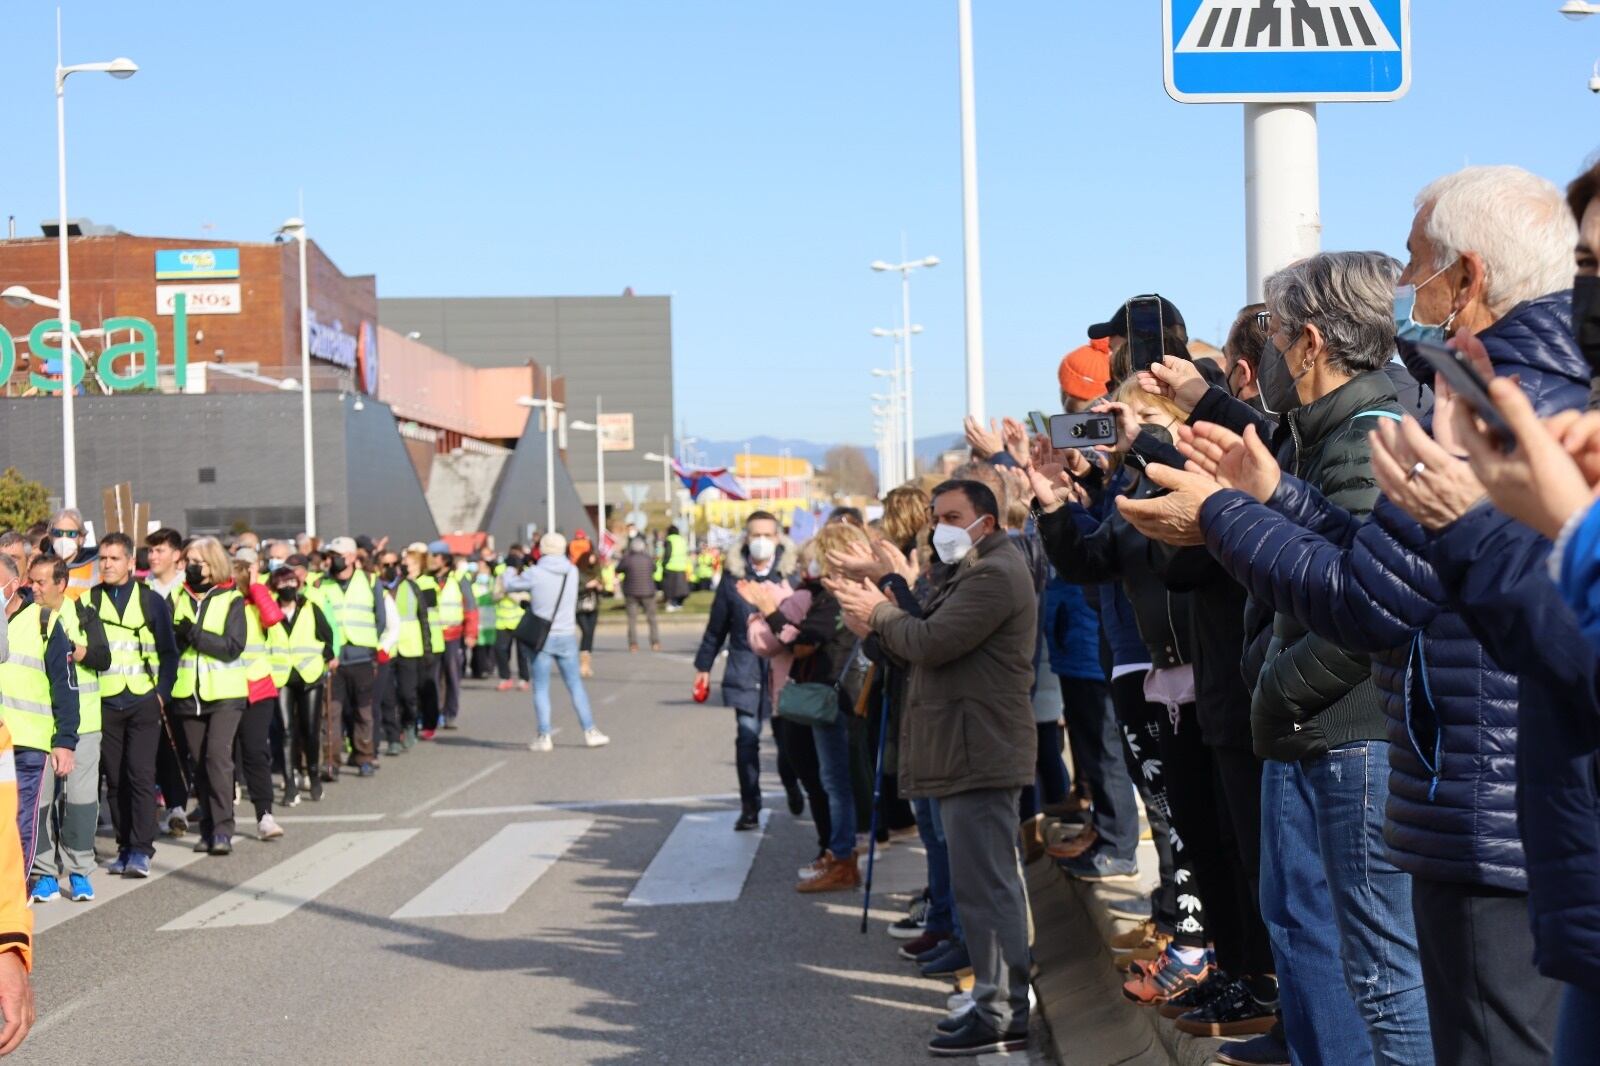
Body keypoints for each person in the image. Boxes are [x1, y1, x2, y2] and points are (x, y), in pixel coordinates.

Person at [832, 479, 1036, 1058]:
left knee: (988, 887)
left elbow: (932, 640)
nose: (938, 527)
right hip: (963, 748)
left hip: (982, 751)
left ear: (987, 522)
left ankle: (1003, 1009)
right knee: (977, 888)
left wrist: (881, 613)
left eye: (952, 516)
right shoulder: (968, 570)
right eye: (935, 516)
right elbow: (919, 639)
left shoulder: (996, 573)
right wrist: (881, 619)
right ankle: (995, 1000)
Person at [742, 523, 871, 892]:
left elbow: (802, 644)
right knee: (834, 781)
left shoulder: (835, 596)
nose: (809, 564)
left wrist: (769, 610)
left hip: (834, 695)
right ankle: (839, 852)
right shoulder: (842, 593)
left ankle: (842, 856)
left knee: (834, 783)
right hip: (842, 693)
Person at [693, 512, 800, 829]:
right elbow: (716, 629)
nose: (762, 541)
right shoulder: (731, 578)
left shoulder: (791, 576)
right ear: (746, 539)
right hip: (744, 669)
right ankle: (750, 806)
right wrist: (703, 667)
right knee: (747, 738)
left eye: (768, 534)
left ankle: (792, 784)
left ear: (778, 538)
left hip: (781, 670)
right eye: (755, 535)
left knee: (786, 742)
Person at [89, 532, 177, 878]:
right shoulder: (90, 601)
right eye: (103, 558)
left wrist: (161, 695)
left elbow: (169, 653)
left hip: (142, 699)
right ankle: (124, 847)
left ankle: (142, 850)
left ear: (129, 562)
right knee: (114, 779)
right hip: (105, 701)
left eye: (114, 558)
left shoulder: (151, 600)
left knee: (141, 776)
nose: (107, 564)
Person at [24, 555, 107, 904]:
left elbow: (104, 658)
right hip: (40, 724)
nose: (35, 588)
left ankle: (78, 870)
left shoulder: (83, 612)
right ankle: (43, 874)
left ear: (61, 583)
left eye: (42, 582)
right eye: (32, 581)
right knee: (40, 803)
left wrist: (75, 649)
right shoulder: (26, 616)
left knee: (80, 801)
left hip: (85, 724)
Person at [0, 552, 79, 877]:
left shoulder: (45, 622)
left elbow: (65, 686)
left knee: (21, 818)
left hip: (29, 742)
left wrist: (65, 741)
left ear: (14, 584)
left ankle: (16, 892)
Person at [169, 536, 247, 856]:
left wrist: (194, 633)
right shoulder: (177, 596)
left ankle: (223, 829)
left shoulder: (232, 599)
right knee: (199, 763)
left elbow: (232, 647)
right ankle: (207, 827)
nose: (190, 567)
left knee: (217, 758)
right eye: (188, 561)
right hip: (187, 692)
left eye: (197, 561)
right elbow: (168, 641)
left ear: (212, 564)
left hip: (225, 694)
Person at [503, 533, 609, 751]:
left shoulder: (536, 572)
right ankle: (590, 731)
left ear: (542, 549)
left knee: (541, 688)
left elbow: (509, 585)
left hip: (541, 637)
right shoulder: (571, 571)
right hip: (567, 633)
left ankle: (544, 736)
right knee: (575, 685)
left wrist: (511, 567)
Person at [268, 565, 337, 807]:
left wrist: (327, 657)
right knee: (286, 731)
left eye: (291, 584)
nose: (287, 588)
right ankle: (290, 784)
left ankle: (314, 776)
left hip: (309, 675)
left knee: (310, 728)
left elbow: (328, 636)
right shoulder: (269, 611)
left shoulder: (309, 608)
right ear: (275, 587)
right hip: (282, 677)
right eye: (282, 584)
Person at [319, 536, 383, 776]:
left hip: (361, 657)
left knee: (363, 711)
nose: (333, 560)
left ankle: (364, 756)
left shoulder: (370, 581)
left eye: (338, 555)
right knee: (331, 713)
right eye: (331, 555)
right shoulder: (321, 584)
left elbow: (381, 618)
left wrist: (370, 646)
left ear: (352, 557)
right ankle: (331, 762)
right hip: (332, 659)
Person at [231, 558, 285, 842]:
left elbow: (274, 617)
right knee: (221, 754)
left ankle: (264, 815)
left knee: (254, 752)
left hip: (258, 688)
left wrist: (256, 586)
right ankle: (218, 811)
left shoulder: (256, 605)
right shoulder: (220, 605)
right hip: (225, 689)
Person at [143, 528, 190, 835]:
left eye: (160, 550)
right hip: (146, 682)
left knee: (183, 746)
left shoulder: (187, 589)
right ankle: (174, 806)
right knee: (158, 748)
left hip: (185, 681)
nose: (153, 556)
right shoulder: (140, 590)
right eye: (150, 551)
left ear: (176, 555)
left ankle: (186, 802)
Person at [379, 549, 427, 754]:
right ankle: (392, 737)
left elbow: (423, 617)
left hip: (410, 647)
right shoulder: (376, 588)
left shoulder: (411, 587)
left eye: (393, 564)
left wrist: (428, 648)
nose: (389, 569)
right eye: (385, 565)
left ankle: (409, 724)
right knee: (387, 696)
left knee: (407, 694)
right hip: (385, 648)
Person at [492, 549, 531, 691]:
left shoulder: (524, 578)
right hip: (502, 621)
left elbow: (527, 598)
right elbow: (494, 597)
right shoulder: (500, 578)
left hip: (520, 621)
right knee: (500, 650)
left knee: (522, 652)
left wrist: (514, 595)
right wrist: (502, 592)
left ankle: (524, 678)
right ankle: (505, 678)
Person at [618, 536, 660, 653]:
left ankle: (633, 644)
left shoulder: (627, 559)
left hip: (631, 593)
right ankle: (655, 642)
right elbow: (654, 569)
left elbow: (618, 569)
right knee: (651, 619)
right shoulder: (648, 558)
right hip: (648, 592)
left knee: (632, 620)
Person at [44, 509, 97, 601]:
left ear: (81, 538)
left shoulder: (96, 567)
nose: (64, 538)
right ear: (51, 536)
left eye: (71, 534)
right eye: (58, 533)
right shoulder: (41, 566)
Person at [574, 548, 602, 679]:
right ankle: (582, 663)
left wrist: (600, 587)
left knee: (590, 633)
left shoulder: (596, 571)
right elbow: (574, 589)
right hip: (580, 607)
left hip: (593, 606)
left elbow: (604, 590)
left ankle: (587, 664)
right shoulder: (577, 572)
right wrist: (587, 586)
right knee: (585, 631)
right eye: (591, 557)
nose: (593, 560)